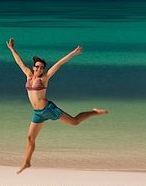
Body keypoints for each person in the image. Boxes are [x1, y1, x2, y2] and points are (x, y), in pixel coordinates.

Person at [6, 38, 108, 174]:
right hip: (37, 113)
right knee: (30, 138)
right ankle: (27, 162)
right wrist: (12, 49)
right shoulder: (29, 76)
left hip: (49, 109)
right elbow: (19, 62)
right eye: (37, 66)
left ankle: (94, 112)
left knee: (75, 122)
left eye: (41, 67)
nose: (39, 69)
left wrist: (73, 53)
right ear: (33, 67)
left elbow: (59, 63)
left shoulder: (45, 78)